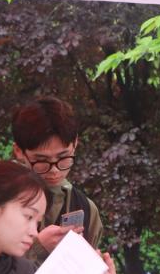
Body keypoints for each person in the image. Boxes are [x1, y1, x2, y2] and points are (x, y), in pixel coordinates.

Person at [11, 96, 104, 262]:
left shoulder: (86, 209)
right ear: (19, 151)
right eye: (41, 160)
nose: (54, 171)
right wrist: (37, 248)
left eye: (63, 157)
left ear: (75, 144)